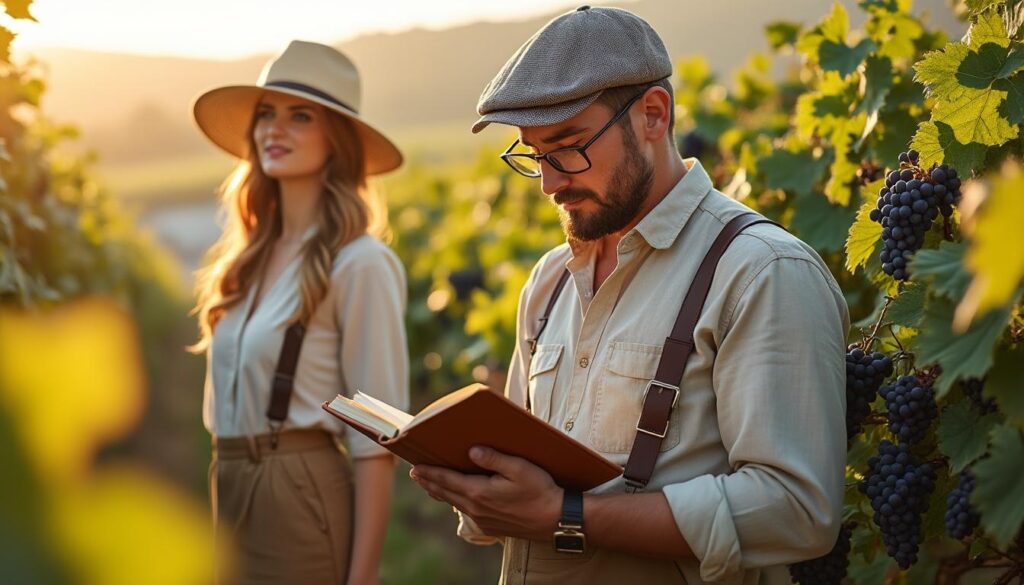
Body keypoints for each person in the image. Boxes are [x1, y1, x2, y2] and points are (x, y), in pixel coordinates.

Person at [409, 6, 850, 584]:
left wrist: (564, 516)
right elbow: (524, 489)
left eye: (568, 147)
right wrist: (481, 487)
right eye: (532, 155)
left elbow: (797, 510)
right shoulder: (548, 281)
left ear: (653, 115)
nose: (549, 182)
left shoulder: (761, 271)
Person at [190, 40, 408, 585]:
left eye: (300, 116)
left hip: (302, 491)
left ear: (336, 139)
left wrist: (363, 578)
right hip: (231, 483)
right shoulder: (243, 263)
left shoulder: (361, 264)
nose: (273, 129)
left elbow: (378, 442)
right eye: (266, 114)